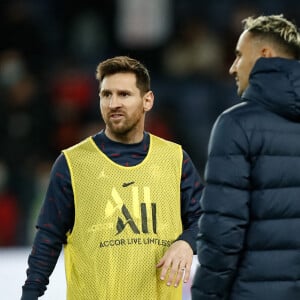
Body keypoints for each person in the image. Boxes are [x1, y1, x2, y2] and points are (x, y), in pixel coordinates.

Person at [21, 56, 203, 300]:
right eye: (106, 95)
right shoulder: (72, 164)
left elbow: (206, 219)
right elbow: (47, 238)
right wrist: (29, 295)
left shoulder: (176, 159)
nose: (113, 103)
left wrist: (187, 243)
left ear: (147, 100)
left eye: (124, 94)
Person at [191, 14, 300, 300]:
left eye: (239, 55)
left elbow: (223, 231)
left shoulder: (236, 125)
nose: (232, 67)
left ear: (265, 55)